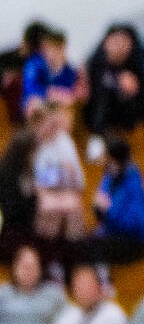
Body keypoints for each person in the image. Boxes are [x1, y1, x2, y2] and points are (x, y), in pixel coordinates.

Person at [83, 22, 144, 159]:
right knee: (103, 97)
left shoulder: (136, 60)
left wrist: (132, 89)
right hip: (105, 115)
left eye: (124, 42)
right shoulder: (96, 62)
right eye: (116, 41)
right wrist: (116, 84)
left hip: (130, 111)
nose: (120, 47)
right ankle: (96, 139)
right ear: (106, 42)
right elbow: (94, 95)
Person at [84, 136, 144, 266]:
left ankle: (105, 280)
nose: (105, 163)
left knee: (93, 249)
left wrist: (108, 210)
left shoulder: (134, 184)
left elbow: (136, 225)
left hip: (133, 242)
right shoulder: (109, 177)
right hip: (111, 233)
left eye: (108, 159)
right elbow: (101, 208)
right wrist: (99, 208)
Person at [0, 242, 66, 324]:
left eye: (33, 266)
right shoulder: (2, 293)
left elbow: (68, 323)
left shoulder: (54, 294)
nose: (28, 271)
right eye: (25, 266)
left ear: (40, 269)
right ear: (15, 268)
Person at [31, 103, 86, 242]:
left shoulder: (65, 142)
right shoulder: (32, 144)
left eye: (56, 124)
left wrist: (71, 174)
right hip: (40, 192)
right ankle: (47, 254)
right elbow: (31, 178)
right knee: (50, 209)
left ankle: (73, 253)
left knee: (73, 207)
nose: (53, 129)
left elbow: (80, 181)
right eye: (50, 124)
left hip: (65, 190)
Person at [20, 23, 82, 116]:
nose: (50, 52)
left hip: (58, 106)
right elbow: (31, 88)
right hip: (38, 104)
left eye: (54, 48)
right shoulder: (34, 64)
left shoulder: (68, 69)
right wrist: (50, 92)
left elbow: (70, 90)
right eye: (47, 48)